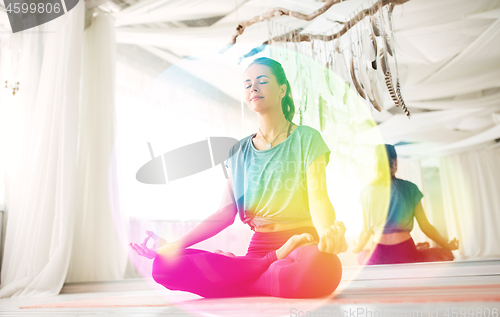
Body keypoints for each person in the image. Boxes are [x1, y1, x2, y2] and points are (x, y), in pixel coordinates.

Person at [130, 57, 348, 298]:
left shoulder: (307, 138)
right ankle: (265, 268)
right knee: (162, 267)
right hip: (260, 251)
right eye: (247, 84)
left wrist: (328, 235)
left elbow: (319, 199)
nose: (253, 87)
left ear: (282, 89)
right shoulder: (239, 151)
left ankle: (241, 279)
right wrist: (174, 245)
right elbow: (223, 214)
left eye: (262, 81)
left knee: (322, 268)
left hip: (301, 246)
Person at [352, 144, 459, 265]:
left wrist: (356, 249)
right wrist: (447, 245)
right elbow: (425, 227)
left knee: (361, 256)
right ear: (395, 162)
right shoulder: (410, 188)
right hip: (405, 251)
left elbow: (365, 232)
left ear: (375, 165)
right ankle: (417, 250)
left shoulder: (366, 192)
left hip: (378, 256)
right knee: (447, 255)